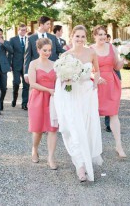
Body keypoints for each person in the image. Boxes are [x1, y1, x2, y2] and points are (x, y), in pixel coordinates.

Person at [52, 25, 103, 182]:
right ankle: (80, 166)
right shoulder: (66, 56)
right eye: (77, 36)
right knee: (74, 128)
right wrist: (66, 78)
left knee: (87, 128)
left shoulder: (91, 52)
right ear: (71, 37)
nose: (80, 39)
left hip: (87, 94)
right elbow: (60, 78)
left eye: (82, 36)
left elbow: (97, 70)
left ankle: (85, 159)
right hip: (72, 94)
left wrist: (95, 82)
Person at [92, 26, 127, 158]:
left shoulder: (112, 47)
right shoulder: (90, 49)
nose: (102, 37)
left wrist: (123, 60)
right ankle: (94, 148)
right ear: (94, 36)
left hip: (111, 83)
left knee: (114, 114)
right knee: (94, 116)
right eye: (99, 34)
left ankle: (118, 146)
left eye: (104, 34)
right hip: (97, 84)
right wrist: (95, 77)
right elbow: (87, 69)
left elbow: (116, 66)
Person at [27, 38, 59, 169]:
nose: (47, 52)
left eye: (49, 50)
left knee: (53, 128)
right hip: (38, 98)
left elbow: (59, 81)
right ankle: (34, 149)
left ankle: (50, 158)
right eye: (45, 50)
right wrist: (48, 89)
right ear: (38, 50)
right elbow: (32, 83)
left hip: (52, 99)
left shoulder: (55, 64)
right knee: (38, 129)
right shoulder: (33, 64)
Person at [23, 16, 65, 111]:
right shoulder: (31, 38)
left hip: (51, 70)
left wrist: (71, 52)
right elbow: (27, 56)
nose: (50, 26)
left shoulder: (53, 37)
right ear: (41, 25)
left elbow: (60, 50)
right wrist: (26, 73)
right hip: (38, 71)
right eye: (48, 24)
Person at [10, 24, 29, 109]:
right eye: (21, 30)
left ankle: (24, 103)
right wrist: (9, 64)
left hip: (26, 65)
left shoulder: (28, 39)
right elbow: (10, 53)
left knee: (26, 85)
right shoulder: (13, 40)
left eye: (24, 30)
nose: (23, 31)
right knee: (16, 82)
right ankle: (14, 98)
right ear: (18, 30)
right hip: (16, 64)